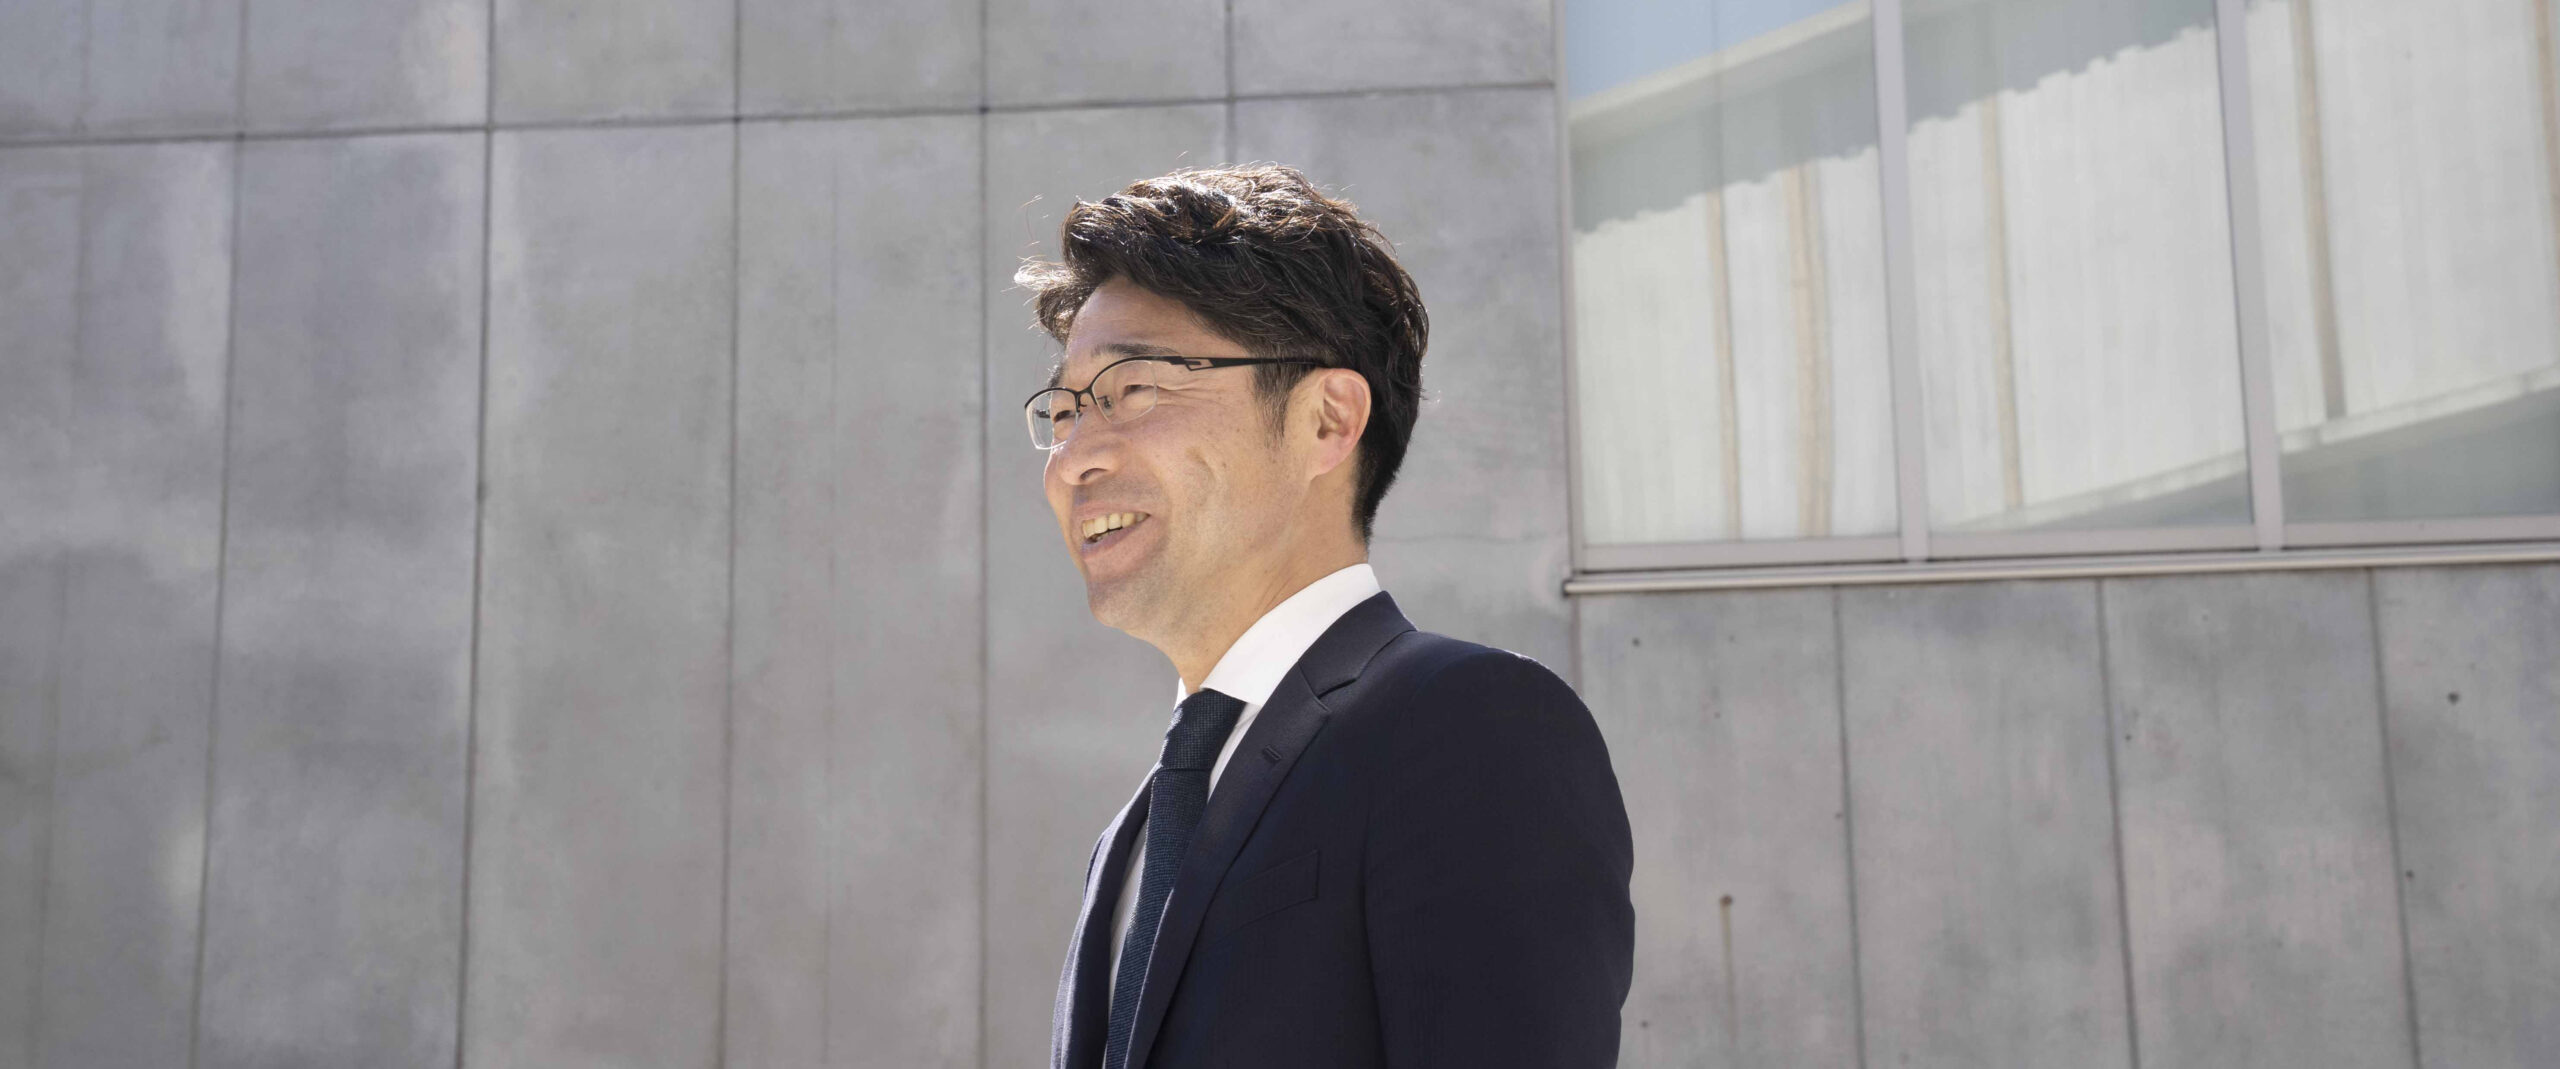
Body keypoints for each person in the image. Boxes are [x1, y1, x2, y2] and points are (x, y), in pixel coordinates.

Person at [1020, 164, 1634, 1069]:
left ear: (1327, 419)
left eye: (1132, 388)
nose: (1073, 457)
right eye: (1066, 410)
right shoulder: (1135, 834)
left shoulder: (1469, 727)